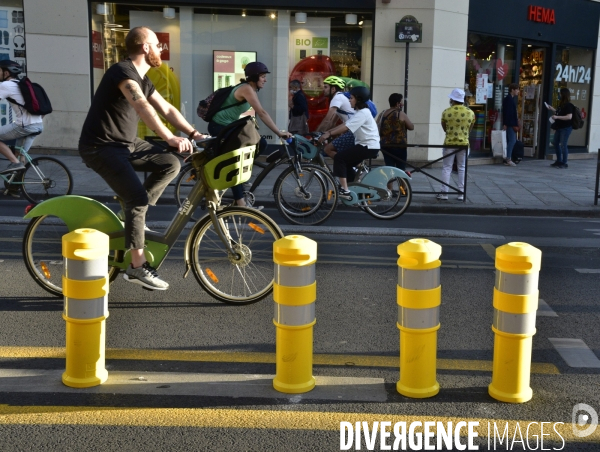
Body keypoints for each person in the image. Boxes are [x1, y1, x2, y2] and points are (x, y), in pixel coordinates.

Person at [78, 26, 206, 291]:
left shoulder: (144, 79)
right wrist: (170, 138)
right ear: (145, 47)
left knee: (170, 163)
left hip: (126, 144)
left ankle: (135, 218)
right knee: (136, 198)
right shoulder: (123, 72)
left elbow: (167, 108)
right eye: (157, 44)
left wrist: (195, 134)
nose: (161, 48)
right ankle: (136, 267)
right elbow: (141, 105)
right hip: (100, 146)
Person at [209, 61, 292, 206]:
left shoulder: (250, 89)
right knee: (236, 162)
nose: (265, 80)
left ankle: (242, 176)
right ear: (254, 76)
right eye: (263, 76)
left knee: (262, 144)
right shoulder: (246, 88)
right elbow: (262, 113)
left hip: (227, 126)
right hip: (219, 126)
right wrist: (279, 132)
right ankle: (240, 201)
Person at [317, 86, 379, 200]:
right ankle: (354, 189)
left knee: (340, 158)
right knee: (347, 164)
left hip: (367, 146)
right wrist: (328, 132)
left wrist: (329, 134)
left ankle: (345, 191)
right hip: (367, 146)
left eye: (351, 98)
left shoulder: (363, 113)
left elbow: (346, 127)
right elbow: (344, 125)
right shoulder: (360, 112)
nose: (349, 100)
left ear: (358, 100)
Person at [0, 60, 44, 175]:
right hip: (38, 125)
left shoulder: (6, 85)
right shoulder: (20, 84)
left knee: (16, 161)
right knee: (19, 155)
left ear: (6, 73)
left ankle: (15, 163)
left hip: (25, 126)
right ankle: (14, 186)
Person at [437, 88, 474, 201]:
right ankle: (461, 193)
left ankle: (444, 193)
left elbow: (445, 128)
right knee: (462, 168)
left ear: (452, 99)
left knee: (447, 168)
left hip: (449, 143)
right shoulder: (470, 113)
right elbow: (470, 129)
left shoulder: (446, 112)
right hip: (463, 144)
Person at [315, 75, 355, 158]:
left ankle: (346, 165)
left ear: (333, 89)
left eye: (326, 87)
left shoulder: (337, 97)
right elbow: (332, 122)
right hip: (352, 131)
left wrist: (317, 133)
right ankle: (350, 166)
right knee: (340, 151)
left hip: (354, 132)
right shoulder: (340, 98)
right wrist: (327, 133)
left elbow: (327, 119)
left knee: (328, 149)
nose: (323, 89)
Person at [376, 93, 413, 171]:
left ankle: (390, 182)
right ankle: (402, 183)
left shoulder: (382, 113)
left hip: (385, 146)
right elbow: (411, 127)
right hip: (399, 146)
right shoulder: (400, 114)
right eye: (401, 102)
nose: (402, 104)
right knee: (401, 169)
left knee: (389, 169)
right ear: (397, 103)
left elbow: (377, 126)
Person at [545, 88, 573, 169]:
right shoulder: (562, 104)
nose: (559, 95)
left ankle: (564, 162)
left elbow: (569, 117)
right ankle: (559, 160)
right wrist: (552, 109)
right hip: (560, 127)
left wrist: (557, 117)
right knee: (555, 142)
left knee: (563, 144)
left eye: (560, 94)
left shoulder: (568, 105)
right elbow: (559, 112)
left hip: (566, 127)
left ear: (563, 95)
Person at [502, 83, 519, 167]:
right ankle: (508, 158)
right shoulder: (509, 99)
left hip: (510, 123)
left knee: (511, 140)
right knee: (512, 140)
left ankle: (508, 158)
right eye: (517, 90)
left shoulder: (510, 99)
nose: (518, 91)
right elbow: (507, 113)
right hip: (510, 123)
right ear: (512, 90)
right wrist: (505, 123)